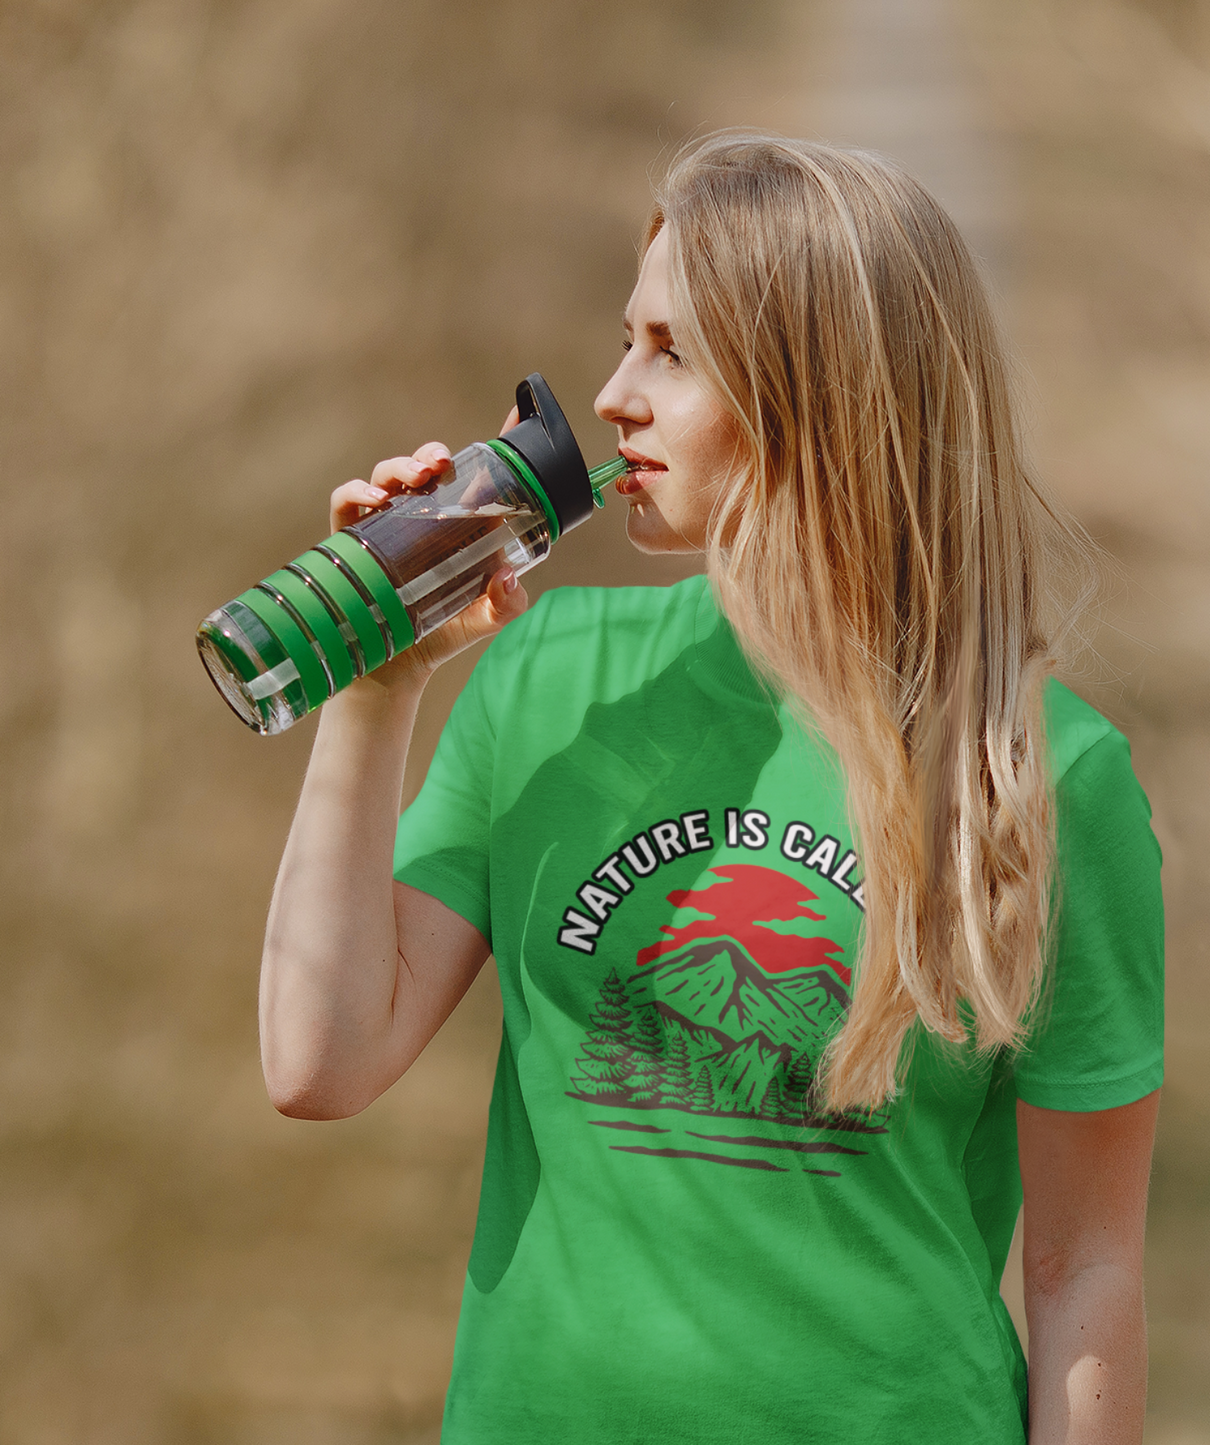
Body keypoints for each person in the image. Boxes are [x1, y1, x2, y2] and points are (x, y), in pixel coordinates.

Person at [260, 133, 1164, 1444]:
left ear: (824, 391)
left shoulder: (1040, 772)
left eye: (673, 354)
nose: (615, 397)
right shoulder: (551, 685)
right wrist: (373, 685)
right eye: (626, 341)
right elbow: (319, 1062)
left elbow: (1089, 1270)